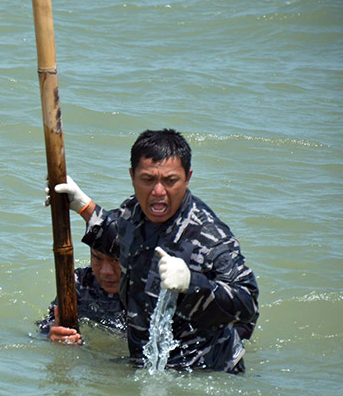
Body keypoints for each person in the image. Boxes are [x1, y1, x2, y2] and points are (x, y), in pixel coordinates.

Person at [52, 128, 259, 374]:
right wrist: (81, 204)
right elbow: (119, 237)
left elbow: (248, 304)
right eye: (148, 180)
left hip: (204, 371)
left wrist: (192, 283)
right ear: (132, 176)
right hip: (146, 364)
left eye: (170, 181)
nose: (158, 192)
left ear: (188, 177)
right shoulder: (133, 211)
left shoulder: (210, 237)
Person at [37, 219, 126, 344]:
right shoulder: (80, 284)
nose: (106, 271)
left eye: (116, 260)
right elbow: (44, 328)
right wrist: (53, 334)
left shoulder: (151, 287)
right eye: (97, 258)